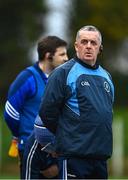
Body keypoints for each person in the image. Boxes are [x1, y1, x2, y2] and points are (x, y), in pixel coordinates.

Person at [39, 25, 115, 179]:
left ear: (100, 48)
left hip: (100, 157)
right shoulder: (62, 73)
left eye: (93, 43)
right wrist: (66, 135)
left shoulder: (106, 76)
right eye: (84, 42)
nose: (88, 46)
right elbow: (47, 112)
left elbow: (106, 113)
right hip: (74, 156)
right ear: (76, 46)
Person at [3, 35, 68, 177]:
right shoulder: (28, 77)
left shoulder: (60, 79)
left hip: (54, 150)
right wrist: (21, 135)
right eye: (62, 54)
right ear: (48, 56)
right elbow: (10, 112)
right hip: (30, 147)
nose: (66, 58)